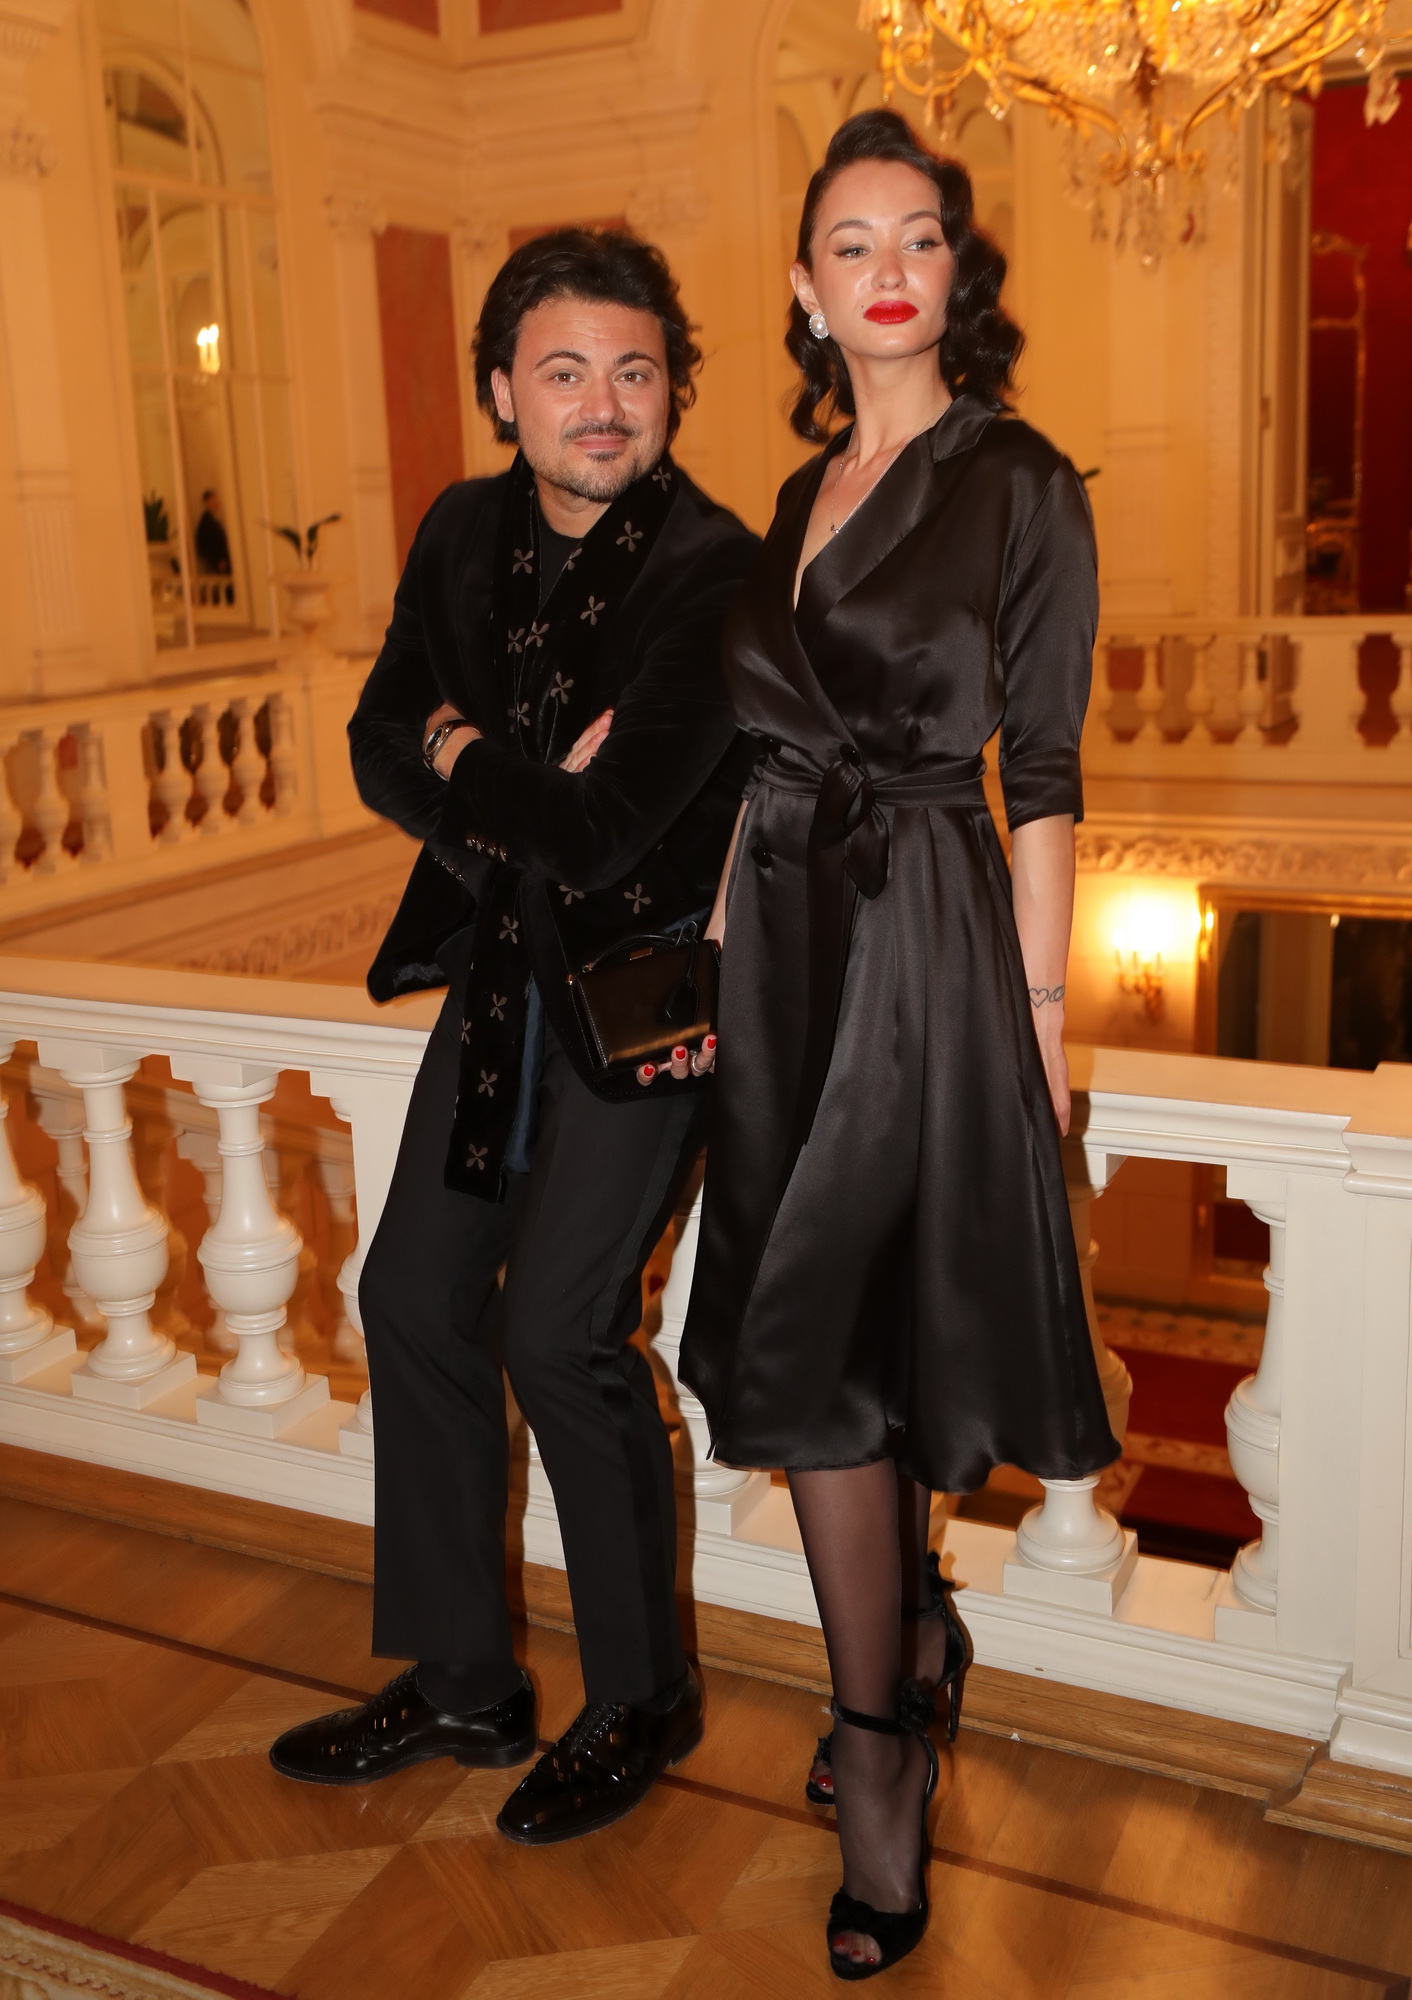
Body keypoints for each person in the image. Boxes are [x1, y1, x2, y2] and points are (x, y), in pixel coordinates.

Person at [675, 111, 1119, 1979]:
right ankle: (915, 1639)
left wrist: (1039, 1014)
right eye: (849, 243)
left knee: (828, 1347)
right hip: (782, 940)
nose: (885, 269)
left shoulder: (1019, 481)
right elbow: (764, 751)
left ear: (955, 270)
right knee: (841, 1316)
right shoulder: (796, 497)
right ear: (804, 288)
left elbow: (1046, 772)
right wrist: (718, 956)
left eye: (916, 236)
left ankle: (876, 1750)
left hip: (927, 931)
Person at [268, 230, 758, 1843]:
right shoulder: (461, 531)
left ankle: (642, 1697)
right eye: (564, 371)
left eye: (634, 370)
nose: (602, 403)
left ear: (671, 388)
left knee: (557, 1335)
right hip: (499, 984)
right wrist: (499, 776)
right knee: (409, 1295)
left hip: (640, 1004)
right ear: (503, 393)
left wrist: (465, 753)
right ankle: (468, 1680)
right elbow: (374, 741)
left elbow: (611, 836)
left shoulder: (716, 570)